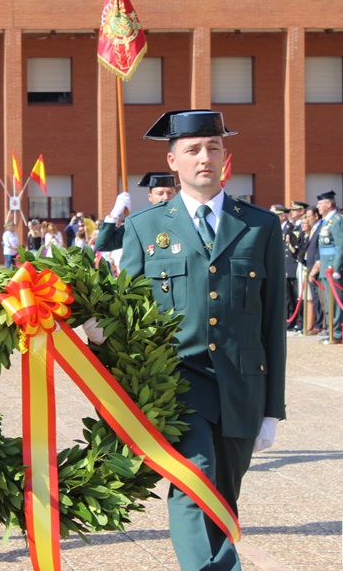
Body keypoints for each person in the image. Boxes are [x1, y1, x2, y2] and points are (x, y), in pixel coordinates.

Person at [103, 109, 285, 571]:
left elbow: (271, 325)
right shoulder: (145, 228)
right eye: (193, 150)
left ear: (226, 157)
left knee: (223, 493)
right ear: (174, 159)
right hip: (178, 384)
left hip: (241, 386)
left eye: (213, 148)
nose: (205, 157)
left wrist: (272, 407)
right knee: (193, 481)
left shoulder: (260, 226)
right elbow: (125, 313)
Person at [94, 172, 179, 255]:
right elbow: (102, 244)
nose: (166, 197)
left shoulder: (185, 219)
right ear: (150, 197)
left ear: (176, 195)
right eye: (159, 193)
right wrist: (114, 214)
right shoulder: (139, 224)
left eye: (170, 193)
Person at [311, 191, 343, 342]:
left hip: (333, 267)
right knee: (329, 300)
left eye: (320, 204)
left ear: (328, 204)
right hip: (326, 265)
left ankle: (338, 332)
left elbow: (341, 246)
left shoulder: (337, 220)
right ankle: (332, 329)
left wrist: (336, 267)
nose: (318, 207)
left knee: (336, 301)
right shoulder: (327, 221)